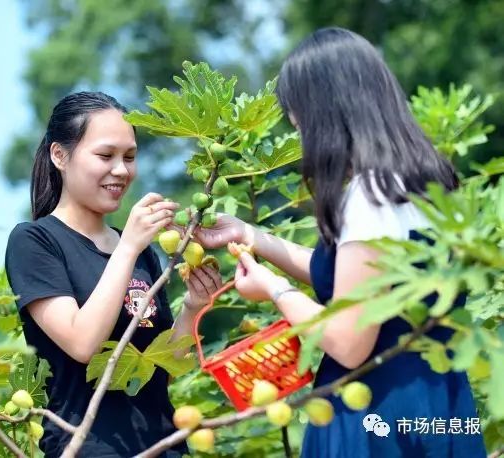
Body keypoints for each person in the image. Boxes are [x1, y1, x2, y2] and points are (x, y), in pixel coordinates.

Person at [191, 28, 487, 457]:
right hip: (434, 403)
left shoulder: (371, 195)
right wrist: (250, 235)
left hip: (376, 413)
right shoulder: (422, 185)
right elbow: (355, 277)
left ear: (327, 113)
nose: (303, 138)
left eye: (301, 123)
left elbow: (349, 342)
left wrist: (275, 290)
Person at [4, 91, 222, 457]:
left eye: (130, 157)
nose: (121, 170)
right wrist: (128, 248)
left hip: (165, 445)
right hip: (88, 446)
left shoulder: (140, 251)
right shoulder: (35, 241)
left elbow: (163, 368)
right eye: (105, 156)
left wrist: (193, 307)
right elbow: (82, 342)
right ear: (60, 155)